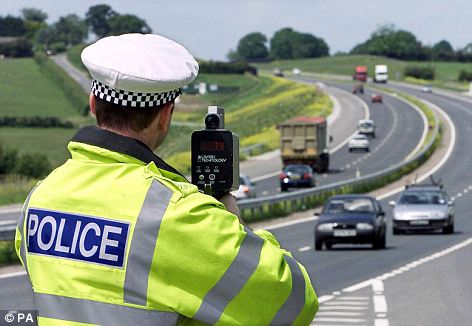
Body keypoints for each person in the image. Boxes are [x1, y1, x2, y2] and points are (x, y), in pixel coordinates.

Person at [15, 33, 318, 325]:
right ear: (165, 115)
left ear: (94, 103)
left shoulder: (41, 197)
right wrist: (232, 225)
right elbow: (295, 303)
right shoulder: (176, 214)